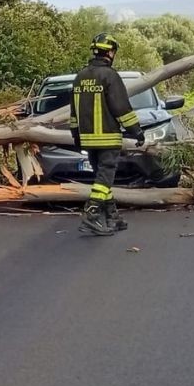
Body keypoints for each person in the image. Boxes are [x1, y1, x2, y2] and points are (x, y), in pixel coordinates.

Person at [70, 33, 143, 236]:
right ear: (110, 52)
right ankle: (92, 214)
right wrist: (136, 131)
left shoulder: (80, 76)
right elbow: (121, 108)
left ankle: (112, 216)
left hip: (87, 139)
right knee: (105, 177)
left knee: (102, 178)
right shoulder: (110, 76)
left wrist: (76, 136)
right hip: (108, 137)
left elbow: (73, 111)